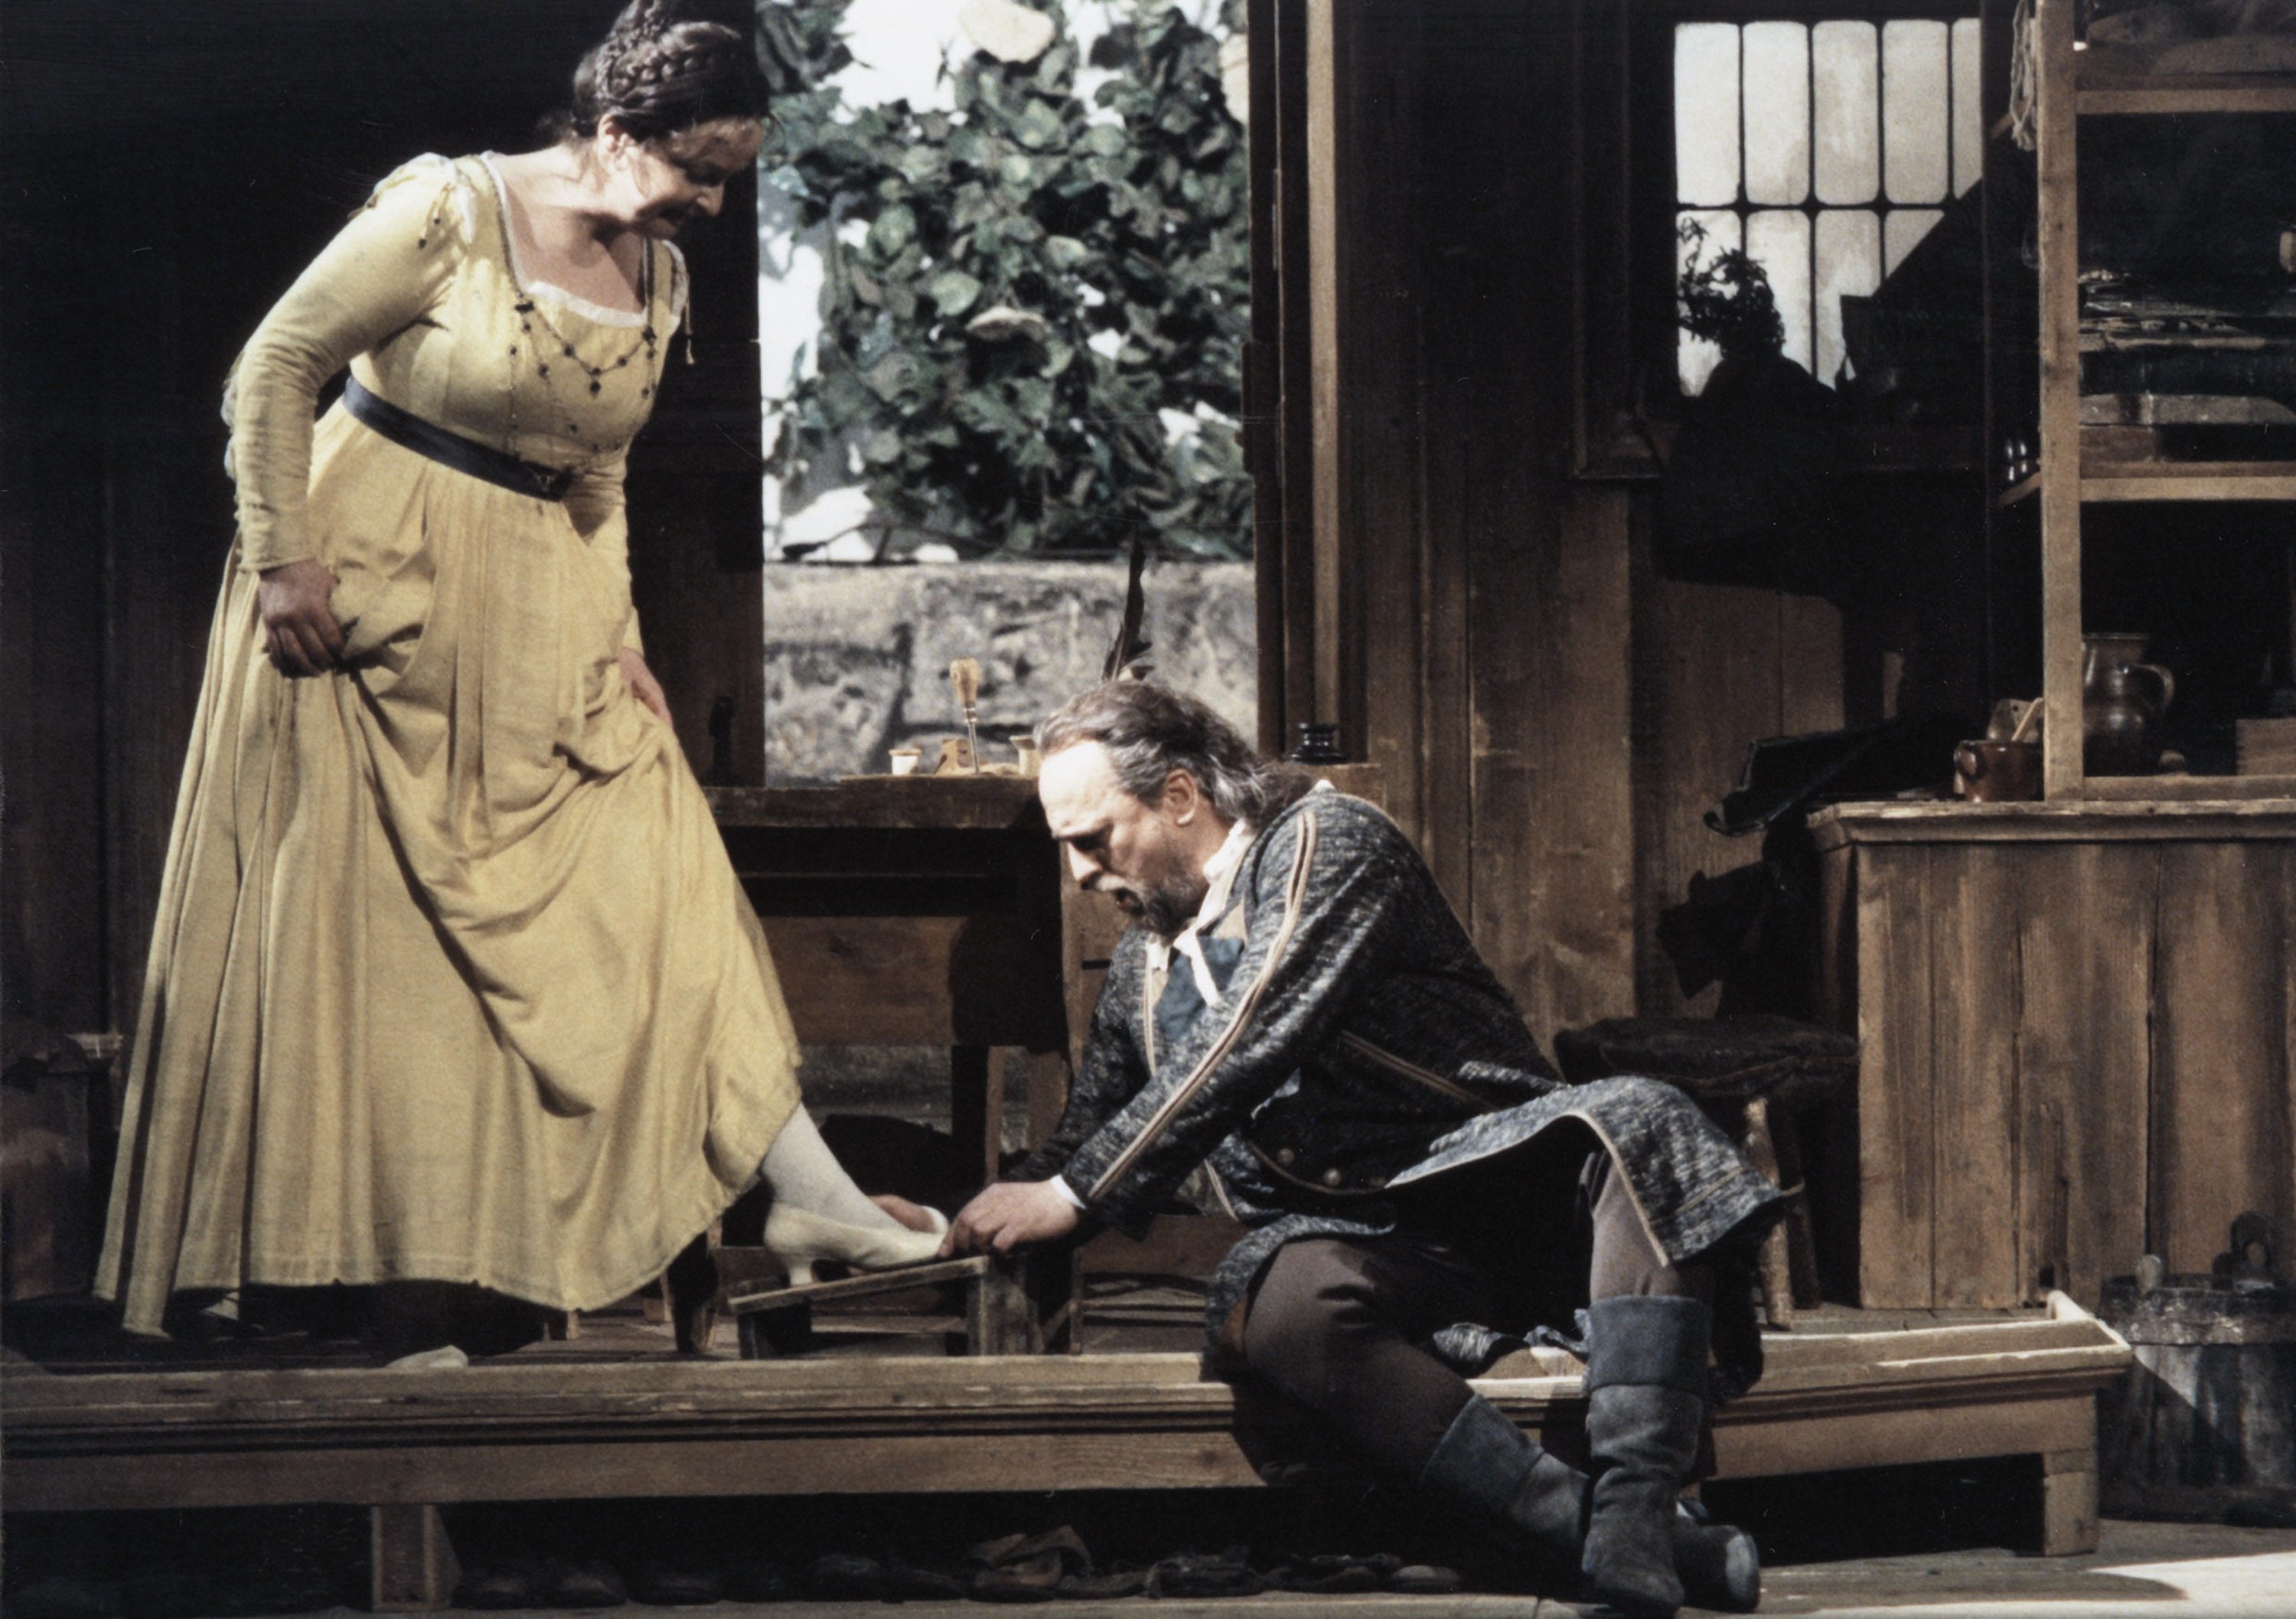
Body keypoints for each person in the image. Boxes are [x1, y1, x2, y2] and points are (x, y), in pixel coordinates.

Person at [97, 0, 941, 1351]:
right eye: (698, 171)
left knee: (665, 877)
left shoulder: (660, 274)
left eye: (730, 176)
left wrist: (624, 645)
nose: (714, 205)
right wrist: (283, 558)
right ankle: (379, 1303)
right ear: (615, 132)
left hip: (542, 619)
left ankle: (808, 1189)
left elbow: (599, 479)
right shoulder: (451, 211)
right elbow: (275, 368)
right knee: (380, 963)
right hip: (366, 601)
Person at [946, 681, 1783, 1619]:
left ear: (1179, 795)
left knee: (1634, 1118)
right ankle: (1611, 1535)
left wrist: (1074, 1191)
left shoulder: (1330, 841)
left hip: (1517, 1198)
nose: (1078, 874)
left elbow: (1256, 1025)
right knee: (1285, 1312)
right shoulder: (1145, 969)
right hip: (1382, 1238)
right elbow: (1080, 1139)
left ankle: (1637, 1503)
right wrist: (958, 1219)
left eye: (1094, 839)